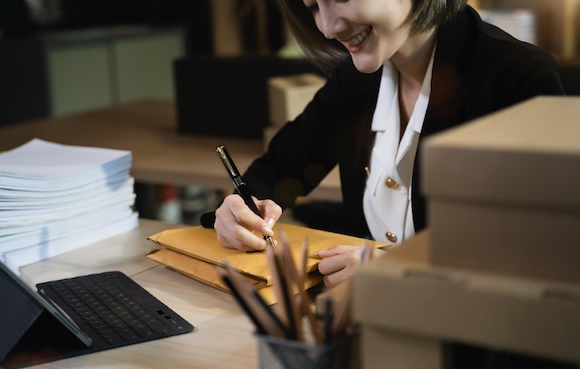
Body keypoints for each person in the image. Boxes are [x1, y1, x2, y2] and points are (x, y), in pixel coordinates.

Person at [207, 0, 565, 287]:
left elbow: (543, 251)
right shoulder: (356, 79)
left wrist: (401, 269)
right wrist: (239, 209)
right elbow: (279, 171)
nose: (329, 27)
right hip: (362, 322)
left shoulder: (517, 77)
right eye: (314, 6)